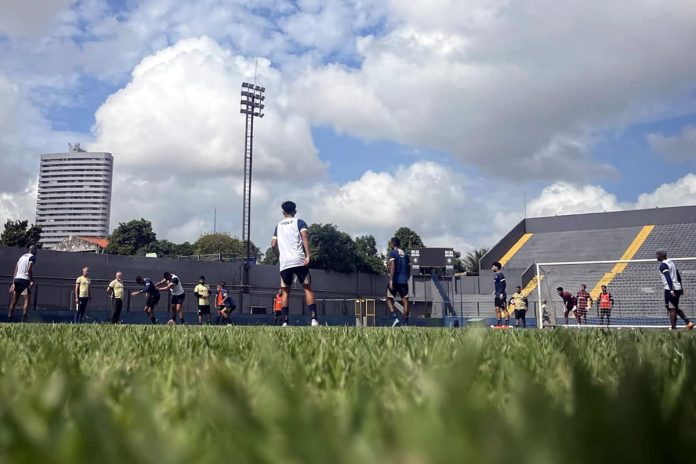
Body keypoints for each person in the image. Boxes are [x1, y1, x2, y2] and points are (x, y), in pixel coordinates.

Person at [270, 201, 318, 327]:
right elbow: (304, 236)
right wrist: (308, 255)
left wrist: (279, 257)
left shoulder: (278, 226)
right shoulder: (299, 222)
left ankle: (285, 321)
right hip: (299, 259)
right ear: (295, 211)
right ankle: (313, 319)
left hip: (285, 262)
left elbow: (273, 244)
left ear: (283, 212)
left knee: (285, 292)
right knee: (307, 287)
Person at [657, 250, 694, 330]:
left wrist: (671, 289)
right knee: (675, 308)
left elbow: (668, 278)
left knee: (671, 309)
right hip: (677, 287)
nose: (656, 256)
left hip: (670, 289)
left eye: (657, 255)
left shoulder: (663, 265)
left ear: (661, 255)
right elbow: (678, 275)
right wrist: (681, 287)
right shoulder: (671, 262)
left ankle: (673, 328)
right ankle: (688, 322)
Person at [7, 244, 37, 322]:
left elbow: (16, 269)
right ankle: (23, 321)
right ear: (33, 250)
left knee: (14, 301)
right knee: (27, 300)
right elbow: (29, 268)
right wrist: (32, 280)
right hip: (25, 280)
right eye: (36, 250)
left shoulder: (22, 257)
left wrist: (13, 282)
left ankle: (9, 319)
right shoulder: (32, 257)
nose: (36, 251)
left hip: (17, 279)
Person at [386, 237, 411, 326]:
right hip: (404, 281)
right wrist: (407, 276)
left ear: (392, 244)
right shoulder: (406, 254)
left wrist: (391, 280)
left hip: (395, 279)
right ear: (399, 244)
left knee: (389, 299)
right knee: (405, 300)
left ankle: (395, 318)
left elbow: (393, 266)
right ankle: (406, 323)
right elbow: (409, 267)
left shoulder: (392, 253)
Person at [492, 262, 508, 327]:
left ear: (497, 267)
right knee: (497, 309)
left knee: (504, 309)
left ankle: (506, 324)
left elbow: (504, 284)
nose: (492, 268)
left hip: (501, 295)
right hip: (497, 294)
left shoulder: (500, 274)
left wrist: (501, 292)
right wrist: (495, 291)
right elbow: (498, 285)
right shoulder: (496, 275)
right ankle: (499, 324)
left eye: (493, 267)